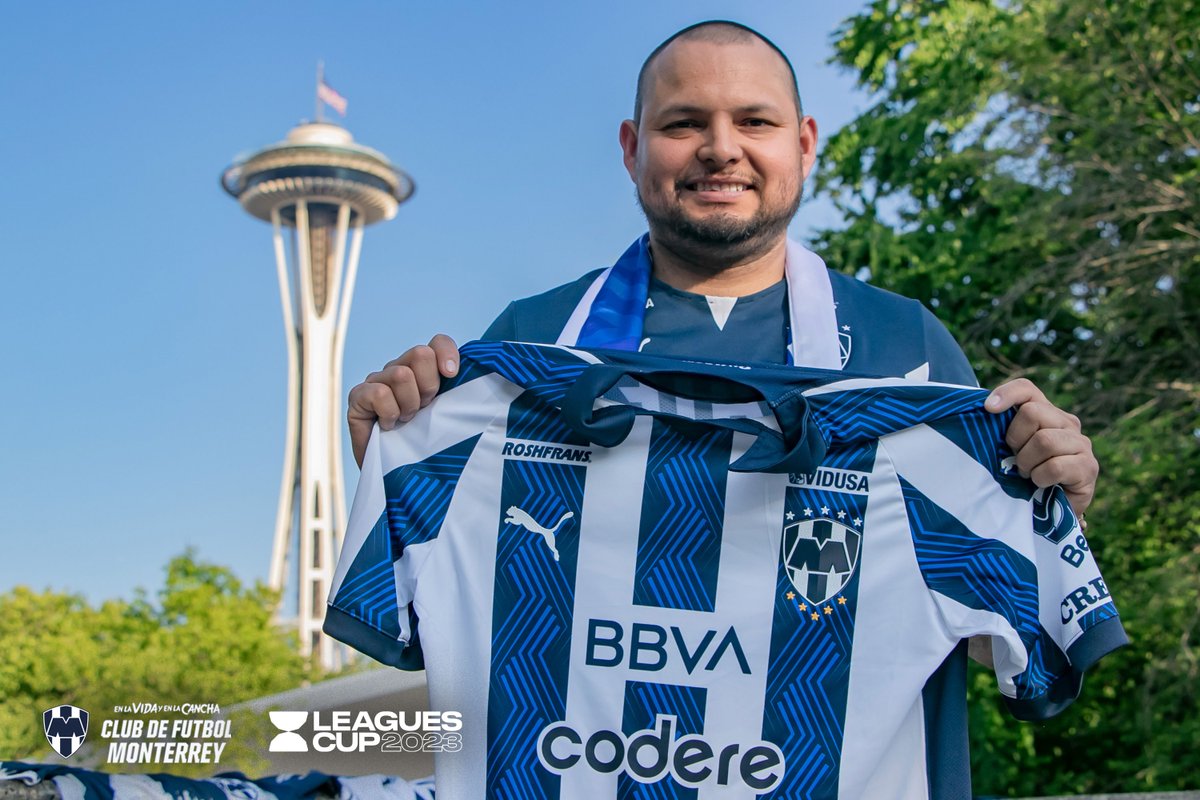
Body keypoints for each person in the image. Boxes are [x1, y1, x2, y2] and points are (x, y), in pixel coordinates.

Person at [345, 20, 1098, 524]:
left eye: (754, 121)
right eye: (683, 123)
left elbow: (985, 632)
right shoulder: (533, 342)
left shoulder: (906, 346)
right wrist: (396, 462)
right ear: (632, 149)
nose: (721, 148)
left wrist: (1052, 505)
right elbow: (450, 608)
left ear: (804, 144)